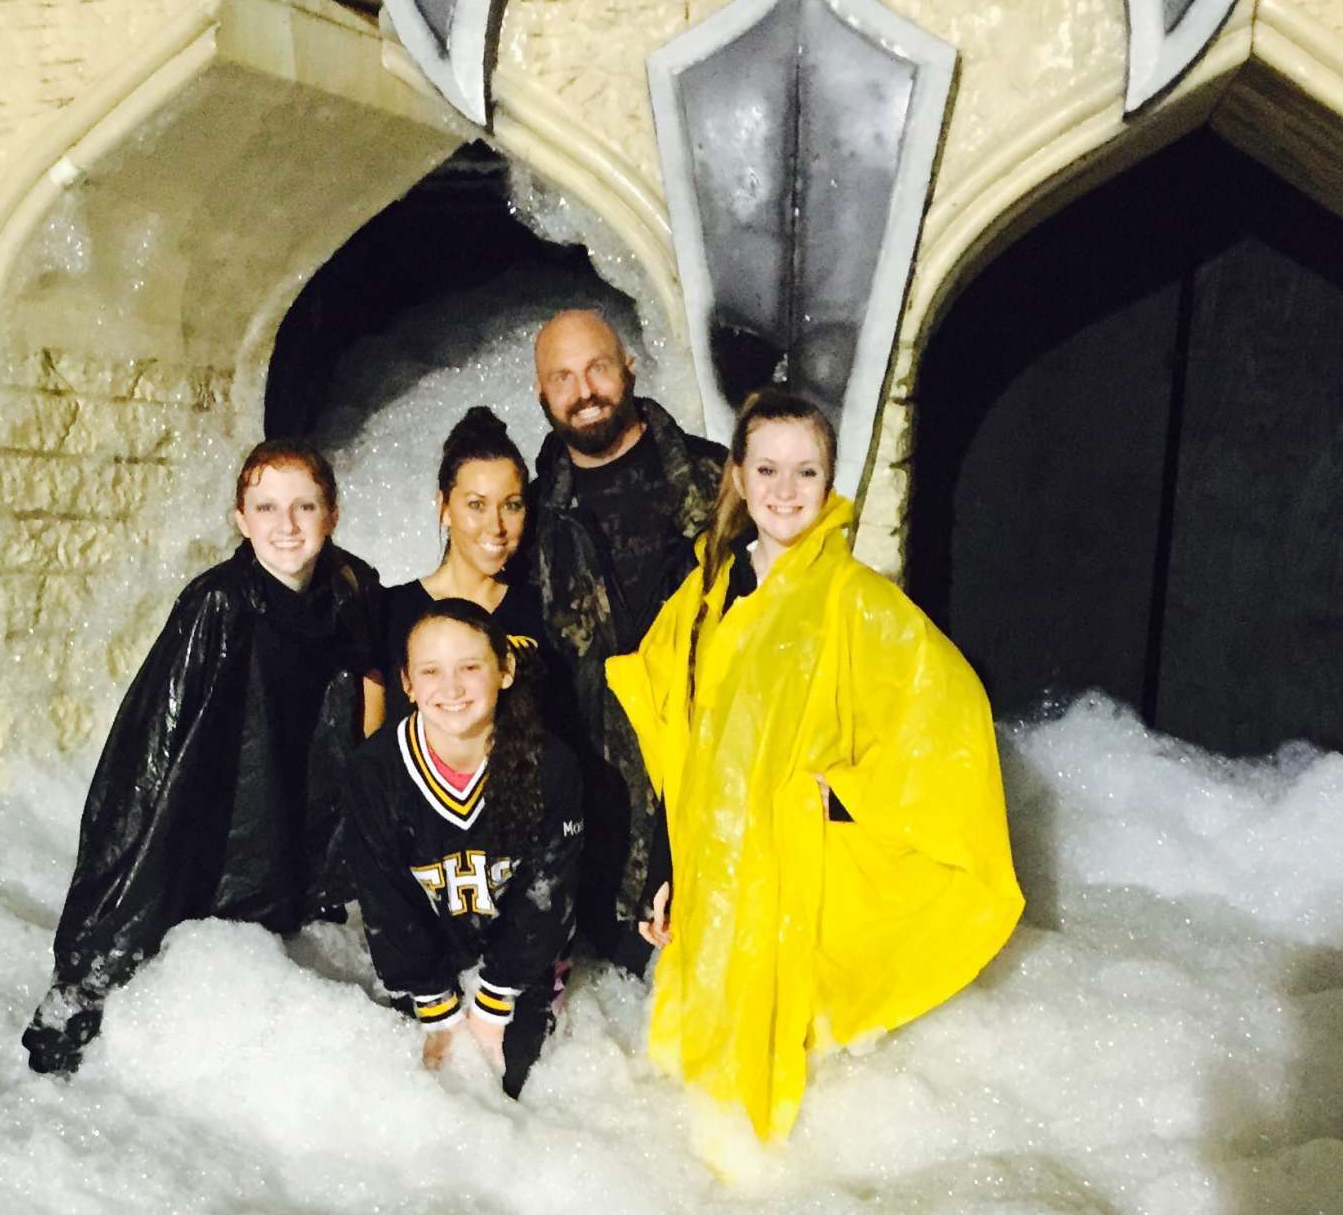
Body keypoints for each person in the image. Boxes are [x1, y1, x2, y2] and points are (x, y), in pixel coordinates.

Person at [607, 388, 1023, 1147]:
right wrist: (667, 865)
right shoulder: (705, 593)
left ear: (830, 482)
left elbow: (947, 717)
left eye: (807, 472)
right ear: (737, 477)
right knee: (692, 1090)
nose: (785, 490)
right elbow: (677, 736)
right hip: (711, 879)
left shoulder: (853, 600)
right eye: (767, 469)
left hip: (794, 880)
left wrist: (845, 794)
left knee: (782, 1076)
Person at [22, 438, 383, 1074]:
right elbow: (156, 750)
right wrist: (97, 951)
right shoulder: (218, 604)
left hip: (297, 828)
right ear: (241, 520)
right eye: (266, 508)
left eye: (304, 506)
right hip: (225, 815)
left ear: (332, 512)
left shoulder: (350, 590)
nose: (286, 525)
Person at [529, 308, 724, 967]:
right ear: (541, 394)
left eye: (598, 368)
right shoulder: (535, 517)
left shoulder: (722, 485)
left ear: (630, 368)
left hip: (713, 811)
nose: (584, 391)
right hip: (604, 839)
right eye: (562, 378)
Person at [344, 599, 581, 1100]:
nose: (450, 689)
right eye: (431, 671)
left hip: (515, 968)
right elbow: (385, 902)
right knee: (418, 1096)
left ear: (505, 670)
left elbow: (546, 900)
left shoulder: (551, 765)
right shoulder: (375, 771)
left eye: (470, 668)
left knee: (518, 1092)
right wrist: (438, 1010)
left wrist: (492, 1009)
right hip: (429, 967)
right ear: (407, 683)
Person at [378, 404, 543, 727]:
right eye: (476, 505)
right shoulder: (389, 612)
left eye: (511, 505)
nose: (495, 526)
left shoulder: (542, 611)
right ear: (444, 508)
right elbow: (371, 743)